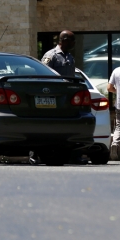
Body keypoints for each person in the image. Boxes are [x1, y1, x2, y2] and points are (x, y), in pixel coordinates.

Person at [35, 30, 86, 164]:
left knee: (71, 127)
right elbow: (43, 76)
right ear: (64, 41)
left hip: (67, 100)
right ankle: (35, 155)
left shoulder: (69, 57)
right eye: (72, 41)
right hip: (52, 99)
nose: (74, 43)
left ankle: (75, 156)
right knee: (46, 128)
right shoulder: (51, 56)